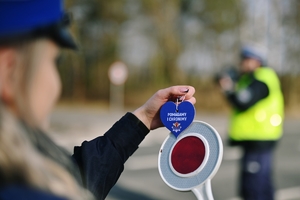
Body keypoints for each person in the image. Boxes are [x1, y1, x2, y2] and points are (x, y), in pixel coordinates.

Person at [0, 1, 196, 200]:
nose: (56, 85)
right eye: (54, 61)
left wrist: (143, 119)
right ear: (10, 71)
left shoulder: (21, 171)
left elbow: (79, 178)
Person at [217, 43, 284, 200]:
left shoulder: (262, 79)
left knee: (254, 188)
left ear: (257, 61)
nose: (242, 63)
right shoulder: (251, 79)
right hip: (255, 140)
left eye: (246, 59)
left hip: (258, 140)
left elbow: (243, 101)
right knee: (262, 186)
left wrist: (228, 88)